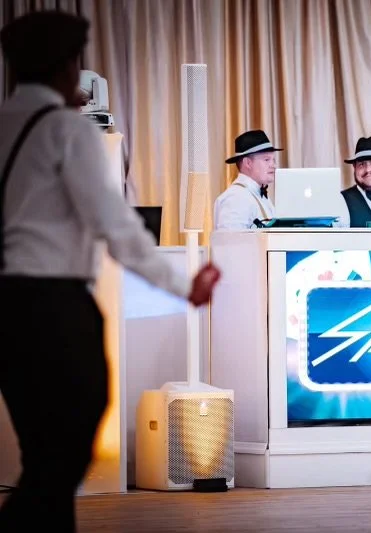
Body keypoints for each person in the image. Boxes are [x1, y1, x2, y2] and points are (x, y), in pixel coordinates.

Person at [0, 11, 221, 533]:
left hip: (7, 306)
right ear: (67, 66)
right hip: (54, 306)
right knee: (68, 449)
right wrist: (181, 284)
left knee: (39, 449)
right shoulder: (65, 130)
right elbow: (113, 223)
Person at [213, 129, 283, 229]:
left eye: (273, 160)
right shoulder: (236, 198)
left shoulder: (258, 195)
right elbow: (230, 242)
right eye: (266, 159)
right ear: (248, 163)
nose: (273, 165)